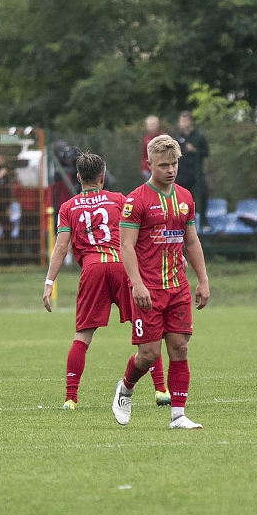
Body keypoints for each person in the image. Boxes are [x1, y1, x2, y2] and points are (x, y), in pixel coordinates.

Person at [42, 152, 169, 409]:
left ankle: (70, 397)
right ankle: (161, 390)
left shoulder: (68, 207)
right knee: (148, 328)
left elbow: (61, 246)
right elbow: (142, 233)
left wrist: (49, 282)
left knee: (83, 335)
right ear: (103, 176)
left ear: (78, 178)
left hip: (93, 270)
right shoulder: (119, 199)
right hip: (122, 268)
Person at [112, 135, 210, 429]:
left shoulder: (185, 197)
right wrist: (136, 284)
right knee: (148, 354)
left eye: (174, 164)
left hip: (177, 286)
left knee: (179, 348)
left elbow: (191, 242)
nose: (170, 170)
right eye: (163, 165)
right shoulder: (136, 201)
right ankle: (125, 389)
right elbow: (126, 246)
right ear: (149, 164)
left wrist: (203, 280)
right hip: (148, 289)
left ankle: (178, 415)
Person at [174, 111, 209, 226]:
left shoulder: (198, 137)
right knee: (183, 199)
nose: (182, 123)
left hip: (196, 172)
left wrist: (195, 150)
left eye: (184, 120)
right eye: (181, 121)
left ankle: (203, 221)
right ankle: (183, 222)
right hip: (182, 174)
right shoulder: (177, 138)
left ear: (190, 122)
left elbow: (206, 153)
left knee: (202, 194)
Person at [140, 115, 165, 180]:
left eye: (153, 124)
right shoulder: (146, 139)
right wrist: (143, 167)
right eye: (149, 125)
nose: (151, 127)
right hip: (148, 167)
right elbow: (144, 154)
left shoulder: (162, 137)